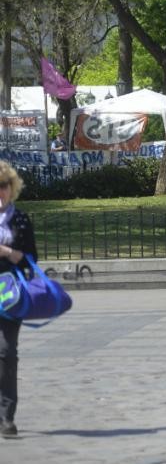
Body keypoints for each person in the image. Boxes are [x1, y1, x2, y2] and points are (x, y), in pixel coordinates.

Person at [0, 161, 37, 437]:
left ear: (12, 188)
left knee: (7, 352)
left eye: (3, 186)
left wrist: (14, 255)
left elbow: (32, 257)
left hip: (10, 292)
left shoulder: (21, 219)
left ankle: (7, 414)